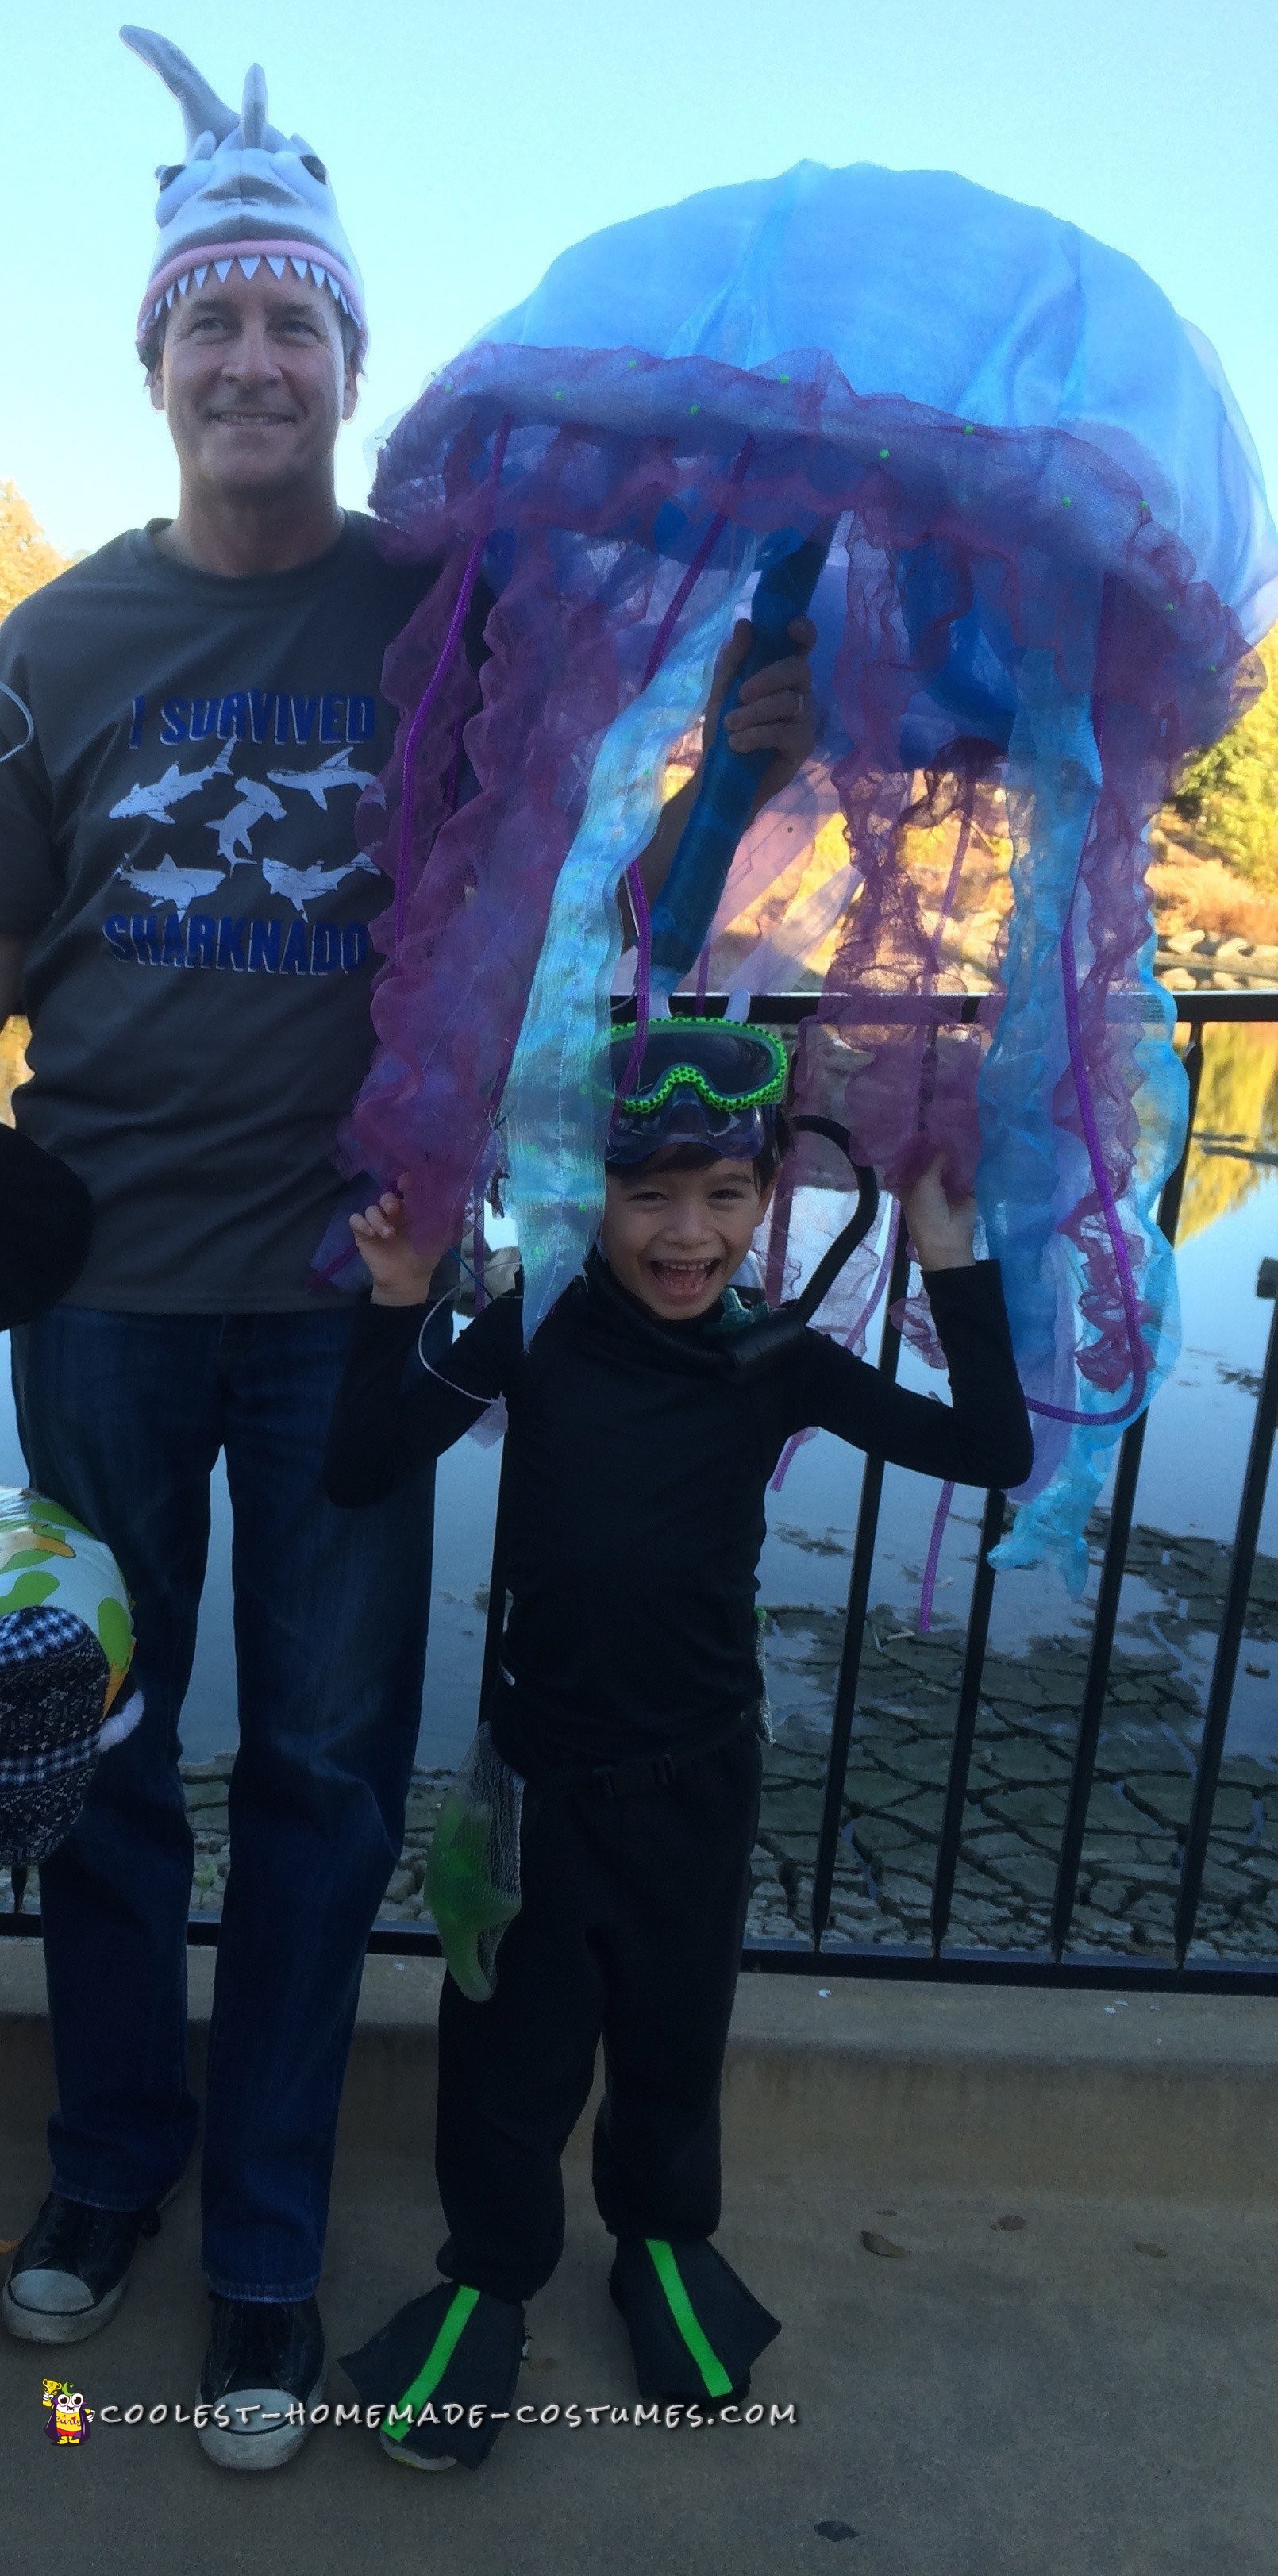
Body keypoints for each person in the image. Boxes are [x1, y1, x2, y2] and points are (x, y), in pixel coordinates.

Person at [0, 33, 817, 2472]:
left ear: (351, 366)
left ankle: (266, 2245)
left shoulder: (453, 615)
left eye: (298, 327)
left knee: (336, 1782)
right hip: (111, 1295)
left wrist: (747, 775)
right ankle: (108, 2167)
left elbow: (586, 912)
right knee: (106, 1766)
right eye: (210, 325)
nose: (255, 362)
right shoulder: (46, 654)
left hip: (361, 1302)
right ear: (153, 363)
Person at [323, 1017, 1034, 2470]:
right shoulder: (528, 1328)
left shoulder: (778, 1358)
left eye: (723, 1195)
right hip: (536, 1781)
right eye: (648, 1195)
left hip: (702, 1774)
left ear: (770, 1193)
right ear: (593, 1194)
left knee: (672, 2035)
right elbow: (358, 1467)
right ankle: (491, 2279)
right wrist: (396, 1302)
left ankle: (660, 2243)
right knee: (509, 2055)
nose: (685, 1234)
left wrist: (951, 1259)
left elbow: (991, 1452)